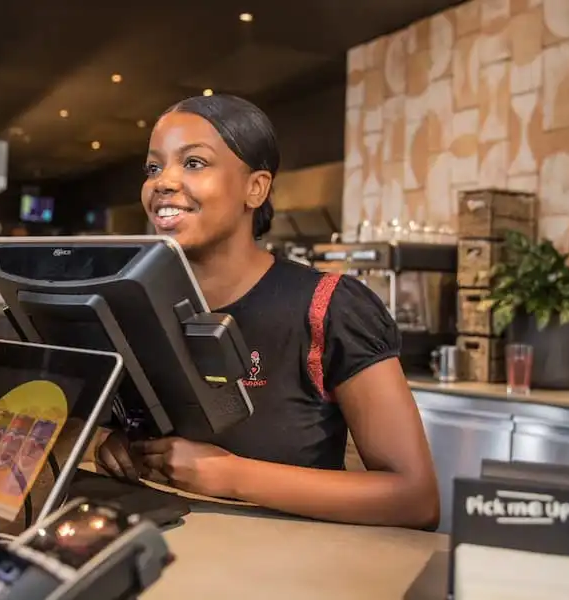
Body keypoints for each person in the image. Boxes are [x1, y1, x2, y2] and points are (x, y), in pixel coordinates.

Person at [95, 94, 440, 530]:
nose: (163, 181)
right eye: (154, 167)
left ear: (255, 188)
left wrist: (230, 475)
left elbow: (415, 499)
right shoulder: (133, 308)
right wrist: (117, 445)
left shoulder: (329, 307)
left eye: (194, 163)